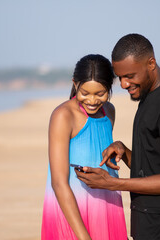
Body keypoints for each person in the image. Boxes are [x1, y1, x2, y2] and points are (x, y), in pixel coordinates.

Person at [75, 34, 160, 240]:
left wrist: (113, 184)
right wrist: (123, 151)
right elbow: (155, 167)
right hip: (150, 222)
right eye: (120, 78)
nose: (124, 84)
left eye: (130, 76)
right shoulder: (148, 95)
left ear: (151, 63)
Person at [41, 54, 127, 240]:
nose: (92, 100)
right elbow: (58, 183)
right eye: (85, 93)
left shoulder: (109, 112)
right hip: (72, 216)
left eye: (100, 93)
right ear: (75, 83)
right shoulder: (63, 116)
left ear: (110, 88)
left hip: (107, 209)